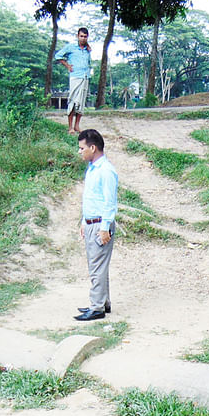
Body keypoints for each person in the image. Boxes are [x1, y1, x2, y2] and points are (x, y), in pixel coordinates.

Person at [74, 129, 118, 321]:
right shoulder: (92, 169)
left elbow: (110, 202)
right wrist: (85, 221)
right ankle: (103, 302)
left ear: (93, 148)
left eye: (82, 148)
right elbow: (91, 199)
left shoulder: (106, 171)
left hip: (101, 224)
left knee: (96, 267)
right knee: (99, 266)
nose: (80, 152)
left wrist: (104, 227)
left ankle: (97, 307)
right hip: (92, 222)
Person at [55, 27, 91, 134]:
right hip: (75, 76)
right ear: (77, 36)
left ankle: (77, 126)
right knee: (73, 101)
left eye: (85, 36)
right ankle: (70, 127)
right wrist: (67, 65)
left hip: (85, 77)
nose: (83, 38)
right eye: (81, 36)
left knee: (81, 102)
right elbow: (58, 56)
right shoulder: (71, 47)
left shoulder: (87, 49)